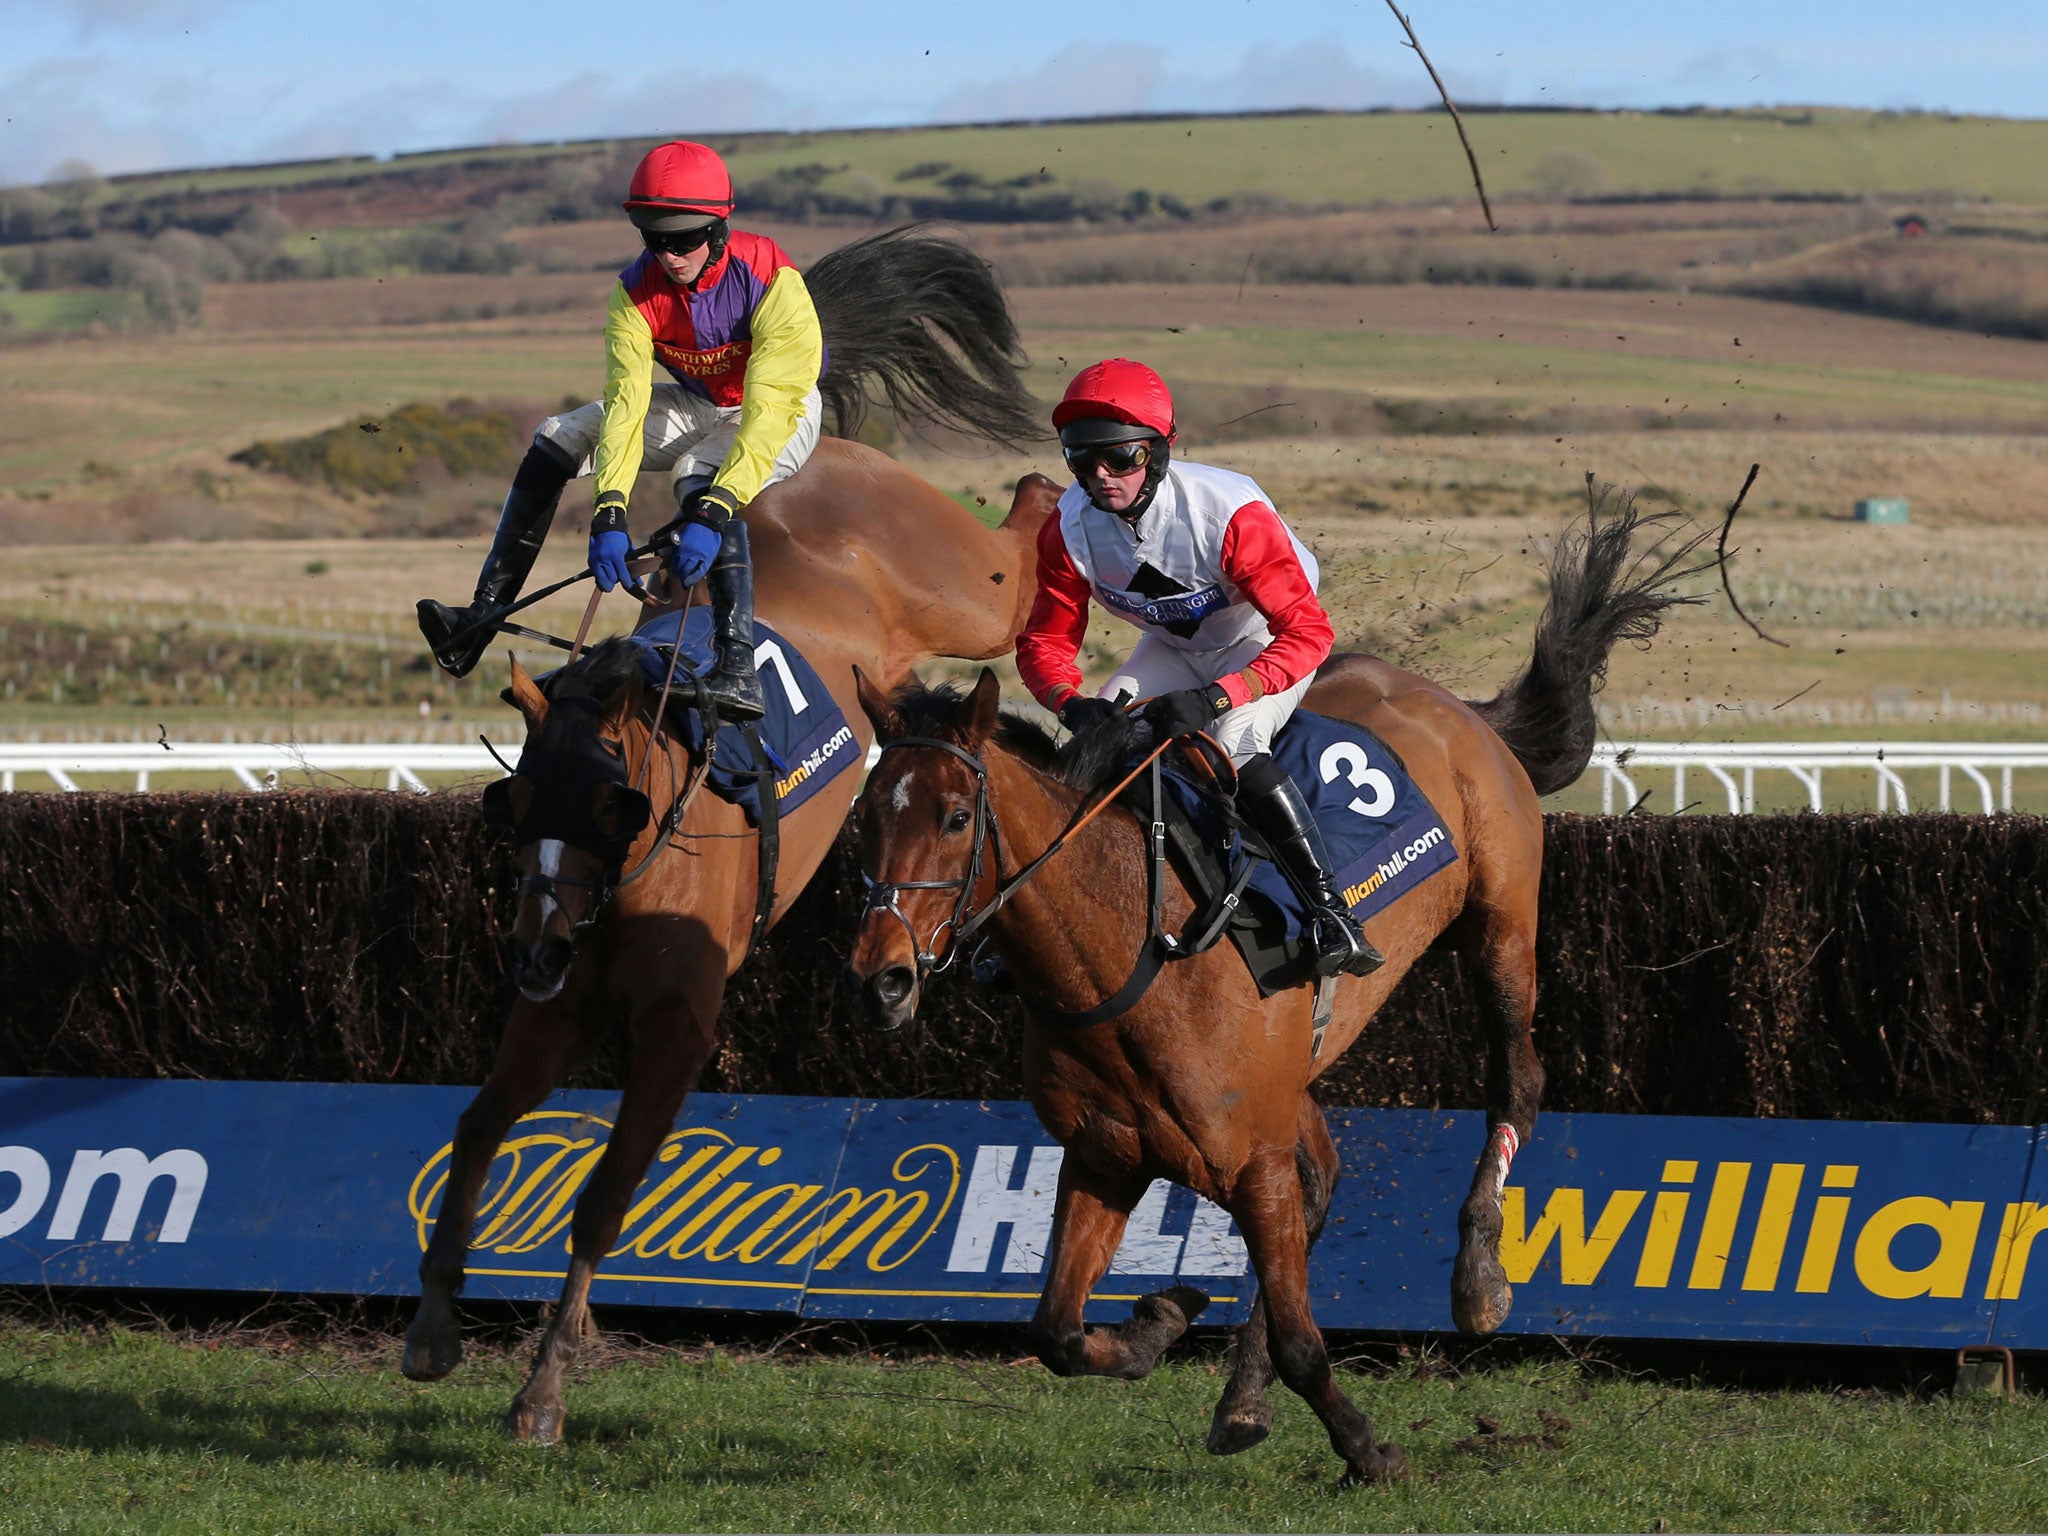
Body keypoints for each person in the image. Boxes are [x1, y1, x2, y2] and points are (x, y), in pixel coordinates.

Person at [415, 140, 826, 720]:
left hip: (781, 410)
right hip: (699, 401)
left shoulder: (771, 280)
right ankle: (480, 617)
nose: (671, 255)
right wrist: (610, 509)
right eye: (656, 240)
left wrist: (713, 513)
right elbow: (627, 406)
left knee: (698, 473)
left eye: (685, 240)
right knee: (558, 435)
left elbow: (766, 413)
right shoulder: (633, 293)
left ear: (719, 229)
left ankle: (737, 670)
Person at [1014, 358, 1384, 979]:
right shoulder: (1068, 529)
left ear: (1159, 452)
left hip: (1262, 638)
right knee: (1097, 744)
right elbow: (1043, 645)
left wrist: (1219, 697)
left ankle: (1331, 913)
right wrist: (1069, 703)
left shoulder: (1228, 512)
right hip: (1172, 647)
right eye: (1082, 462)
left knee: (1236, 743)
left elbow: (1310, 632)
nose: (1101, 478)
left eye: (1122, 459)